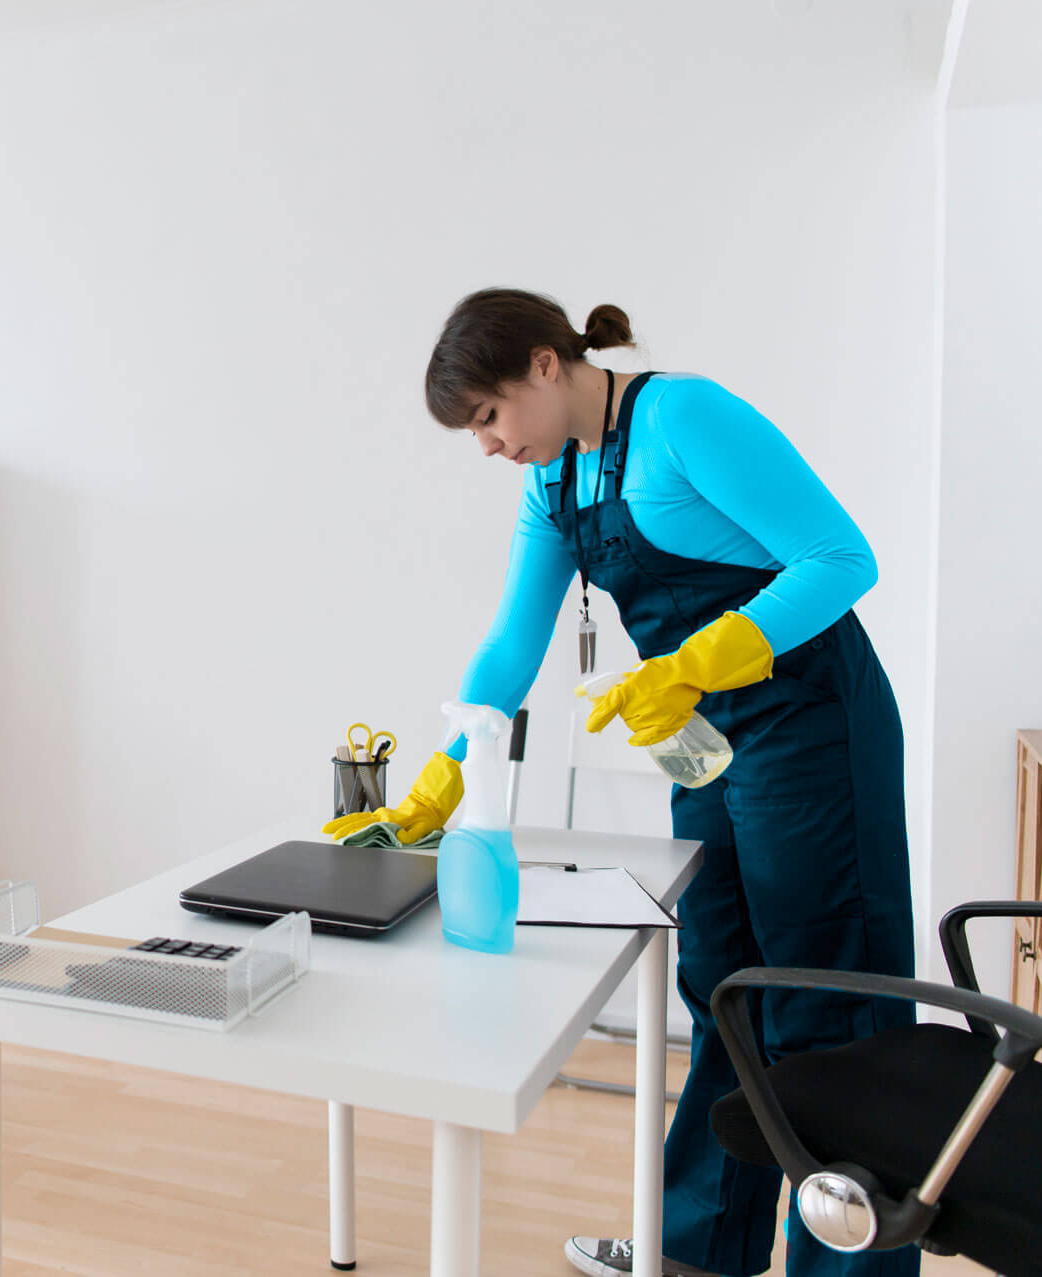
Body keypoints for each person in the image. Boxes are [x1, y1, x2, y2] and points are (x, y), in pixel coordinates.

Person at [326, 289, 918, 1276]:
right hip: (707, 746)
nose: (486, 444)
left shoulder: (683, 416)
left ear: (545, 366)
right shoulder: (553, 483)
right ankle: (698, 1250)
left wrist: (696, 659)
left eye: (487, 415)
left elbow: (840, 558)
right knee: (722, 984)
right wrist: (446, 769)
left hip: (813, 725)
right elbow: (514, 642)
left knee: (824, 999)